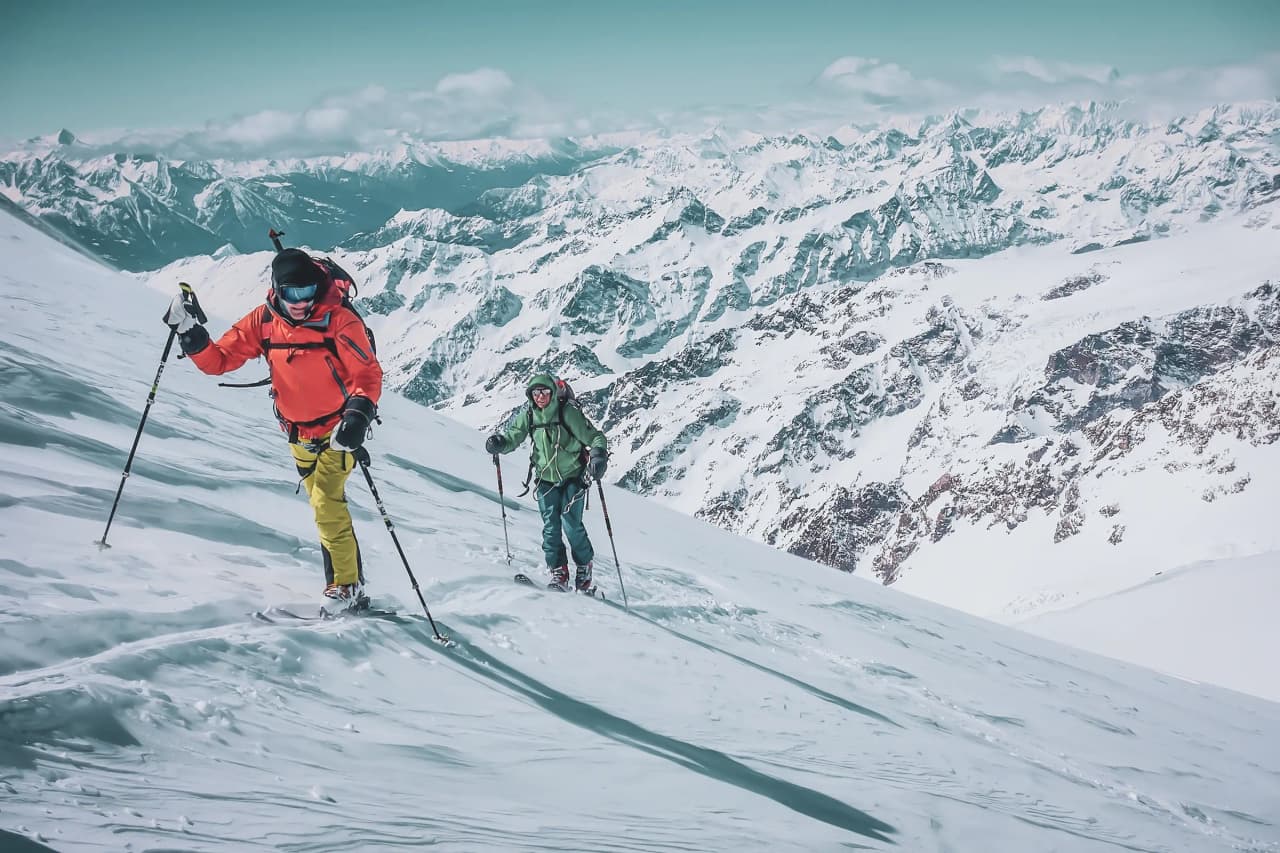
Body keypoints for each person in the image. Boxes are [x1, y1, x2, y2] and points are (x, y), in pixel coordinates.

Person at [162, 248, 382, 602]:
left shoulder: (340, 322)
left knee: (326, 502)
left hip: (337, 434)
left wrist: (357, 415)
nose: (301, 302)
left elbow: (367, 373)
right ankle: (347, 581)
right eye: (293, 294)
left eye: (308, 292)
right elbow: (218, 361)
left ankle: (345, 587)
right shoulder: (264, 322)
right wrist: (190, 332)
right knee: (324, 505)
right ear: (277, 290)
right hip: (295, 434)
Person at [486, 375, 608, 591]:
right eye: (535, 393)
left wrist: (598, 456)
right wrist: (500, 443)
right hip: (545, 479)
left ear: (552, 392)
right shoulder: (530, 415)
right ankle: (559, 572)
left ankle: (584, 567)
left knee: (571, 525)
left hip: (573, 477)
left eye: (544, 392)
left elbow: (595, 437)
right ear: (530, 396)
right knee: (551, 528)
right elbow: (513, 436)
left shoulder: (567, 414)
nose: (540, 397)